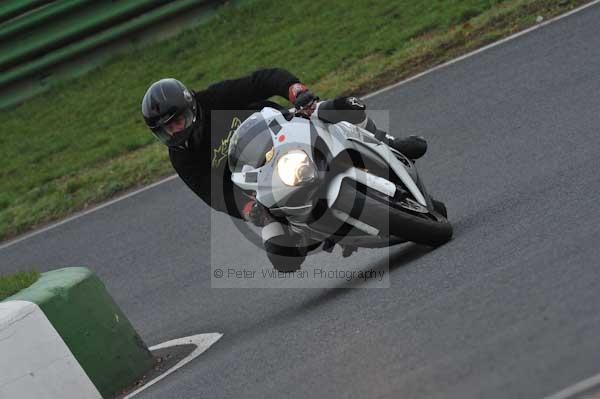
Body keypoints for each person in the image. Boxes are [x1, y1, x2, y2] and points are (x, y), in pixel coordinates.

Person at [141, 68, 433, 271]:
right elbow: (213, 193)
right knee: (283, 258)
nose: (174, 130)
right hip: (265, 187)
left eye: (176, 120)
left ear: (190, 105)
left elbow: (261, 80)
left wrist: (296, 92)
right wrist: (248, 208)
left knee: (330, 111)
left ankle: (385, 141)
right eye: (166, 129)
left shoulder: (214, 99)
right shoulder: (181, 158)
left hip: (289, 135)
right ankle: (323, 230)